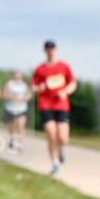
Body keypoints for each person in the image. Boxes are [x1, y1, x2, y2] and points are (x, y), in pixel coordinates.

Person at [31, 39, 76, 175]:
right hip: (46, 104)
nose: (50, 51)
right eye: (48, 48)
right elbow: (33, 87)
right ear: (45, 50)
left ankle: (61, 149)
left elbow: (72, 84)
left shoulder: (64, 66)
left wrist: (65, 91)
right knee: (51, 133)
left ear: (55, 49)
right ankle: (55, 163)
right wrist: (39, 88)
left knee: (63, 137)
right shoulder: (40, 69)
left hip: (61, 105)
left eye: (52, 48)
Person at [3, 70, 31, 151]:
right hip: (10, 108)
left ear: (21, 76)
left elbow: (29, 95)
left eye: (19, 75)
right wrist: (12, 98)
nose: (17, 76)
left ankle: (20, 145)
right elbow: (4, 95)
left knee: (20, 126)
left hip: (21, 109)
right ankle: (12, 138)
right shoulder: (9, 84)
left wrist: (24, 98)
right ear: (13, 76)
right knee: (12, 126)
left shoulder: (24, 85)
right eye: (16, 75)